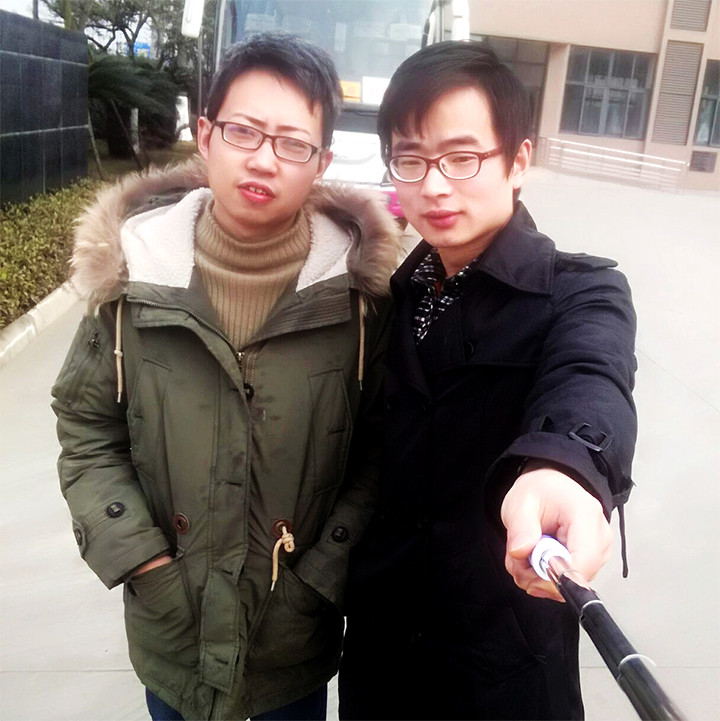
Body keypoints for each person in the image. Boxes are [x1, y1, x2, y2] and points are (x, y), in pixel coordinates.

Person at [51, 33, 401, 721]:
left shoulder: (361, 298)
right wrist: (145, 563)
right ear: (206, 135)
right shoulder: (131, 275)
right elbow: (86, 429)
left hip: (292, 642)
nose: (264, 159)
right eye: (244, 131)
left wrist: (323, 572)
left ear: (323, 162)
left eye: (293, 143)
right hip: (172, 637)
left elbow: (381, 449)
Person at [338, 41, 637, 720]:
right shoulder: (393, 294)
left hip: (504, 666)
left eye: (462, 157)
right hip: (382, 658)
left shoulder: (579, 290)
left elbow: (591, 377)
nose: (435, 186)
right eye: (411, 160)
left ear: (518, 160)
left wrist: (564, 467)